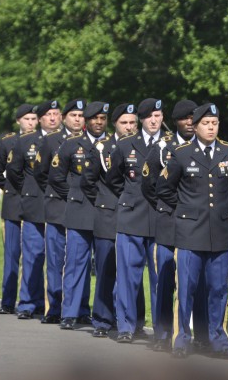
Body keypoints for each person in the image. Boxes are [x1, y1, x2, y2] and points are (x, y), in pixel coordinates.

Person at [157, 103, 228, 360]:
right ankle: (182, 340)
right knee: (186, 290)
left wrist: (220, 208)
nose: (211, 128)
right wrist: (186, 209)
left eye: (214, 123)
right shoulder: (182, 153)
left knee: (218, 290)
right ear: (195, 126)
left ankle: (218, 342)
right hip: (189, 232)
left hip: (219, 231)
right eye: (206, 124)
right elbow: (164, 188)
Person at [141, 100, 208, 353]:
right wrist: (174, 207)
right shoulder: (162, 146)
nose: (190, 123)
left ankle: (202, 335)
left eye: (194, 118)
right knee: (166, 281)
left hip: (199, 226)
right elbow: (149, 185)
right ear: (177, 121)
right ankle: (163, 333)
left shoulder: (205, 145)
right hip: (170, 223)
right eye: (185, 119)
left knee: (200, 282)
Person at [106, 98, 165, 344]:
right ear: (141, 119)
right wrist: (129, 196)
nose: (154, 120)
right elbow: (113, 178)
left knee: (161, 279)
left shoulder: (170, 145)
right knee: (128, 276)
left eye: (158, 115)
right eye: (149, 116)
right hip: (131, 217)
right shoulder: (126, 144)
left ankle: (162, 331)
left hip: (161, 218)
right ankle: (126, 326)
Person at [81, 103, 142, 338]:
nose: (129, 127)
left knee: (133, 271)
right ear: (114, 124)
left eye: (132, 123)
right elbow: (88, 181)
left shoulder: (141, 146)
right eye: (124, 123)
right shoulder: (102, 147)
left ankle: (134, 322)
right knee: (106, 270)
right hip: (108, 215)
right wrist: (103, 201)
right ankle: (103, 320)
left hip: (134, 216)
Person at [48, 101, 108, 330]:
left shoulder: (113, 144)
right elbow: (56, 177)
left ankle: (102, 314)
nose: (99, 123)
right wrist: (75, 194)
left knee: (105, 267)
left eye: (103, 119)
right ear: (87, 121)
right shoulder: (71, 144)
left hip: (105, 213)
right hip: (79, 211)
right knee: (75, 263)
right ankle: (71, 313)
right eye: (94, 119)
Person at [6, 99, 62, 320]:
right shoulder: (26, 141)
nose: (52, 118)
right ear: (40, 119)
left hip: (58, 205)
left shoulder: (66, 141)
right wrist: (30, 190)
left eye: (56, 114)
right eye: (48, 114)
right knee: (32, 256)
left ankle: (54, 305)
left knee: (57, 259)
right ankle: (28, 303)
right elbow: (14, 172)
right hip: (34, 204)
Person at [33, 99, 85, 325]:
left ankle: (80, 308)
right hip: (57, 207)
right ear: (64, 118)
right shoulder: (52, 140)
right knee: (55, 261)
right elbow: (40, 172)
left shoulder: (92, 142)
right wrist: (59, 191)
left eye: (81, 116)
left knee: (78, 262)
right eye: (73, 115)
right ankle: (54, 308)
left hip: (82, 209)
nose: (77, 119)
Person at [0, 103, 37, 315]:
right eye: (27, 119)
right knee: (11, 255)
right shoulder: (8, 142)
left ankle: (34, 302)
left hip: (35, 207)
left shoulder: (43, 142)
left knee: (34, 256)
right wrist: (10, 189)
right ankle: (7, 301)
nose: (31, 123)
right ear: (18, 121)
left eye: (34, 119)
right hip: (13, 206)